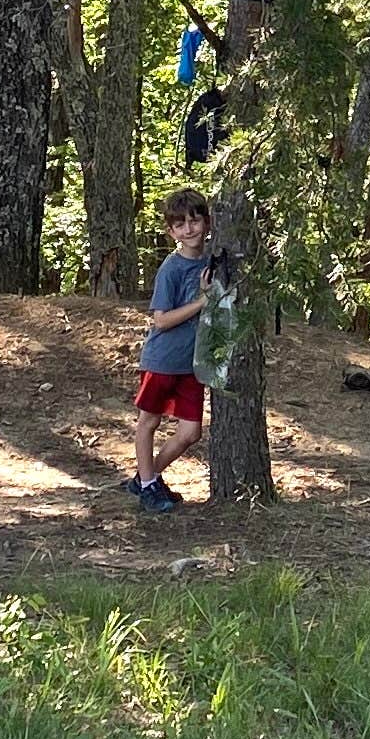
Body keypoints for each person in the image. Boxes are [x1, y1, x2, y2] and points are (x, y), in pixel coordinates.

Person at [131, 189, 218, 513]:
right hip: (163, 360)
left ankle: (146, 478)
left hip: (192, 364)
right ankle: (148, 483)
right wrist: (200, 303)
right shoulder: (171, 268)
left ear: (207, 224)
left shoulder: (212, 261)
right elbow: (162, 319)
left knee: (190, 432)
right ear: (171, 232)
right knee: (148, 422)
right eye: (180, 225)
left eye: (195, 221)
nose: (189, 229)